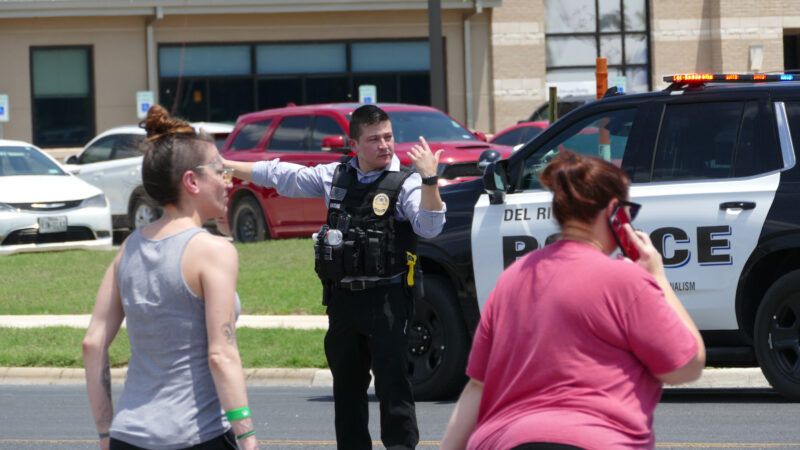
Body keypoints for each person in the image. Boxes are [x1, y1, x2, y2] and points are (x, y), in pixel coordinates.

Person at [440, 151, 706, 450]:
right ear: (614, 213)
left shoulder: (512, 279)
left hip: (504, 440)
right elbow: (687, 365)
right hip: (594, 439)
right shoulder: (625, 280)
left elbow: (478, 385)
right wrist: (657, 276)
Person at [223, 104, 446, 449]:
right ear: (354, 143)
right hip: (343, 302)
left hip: (388, 302)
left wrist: (430, 179)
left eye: (388, 137)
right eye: (373, 140)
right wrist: (229, 166)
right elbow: (282, 175)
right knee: (347, 391)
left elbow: (429, 226)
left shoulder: (408, 183)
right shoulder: (335, 175)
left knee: (394, 390)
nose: (384, 146)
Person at [82, 105, 258, 450]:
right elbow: (220, 354)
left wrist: (105, 433)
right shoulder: (213, 251)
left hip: (127, 435)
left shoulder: (130, 248)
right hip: (196, 435)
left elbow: (93, 343)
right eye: (220, 171)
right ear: (191, 181)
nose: (228, 180)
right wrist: (247, 437)